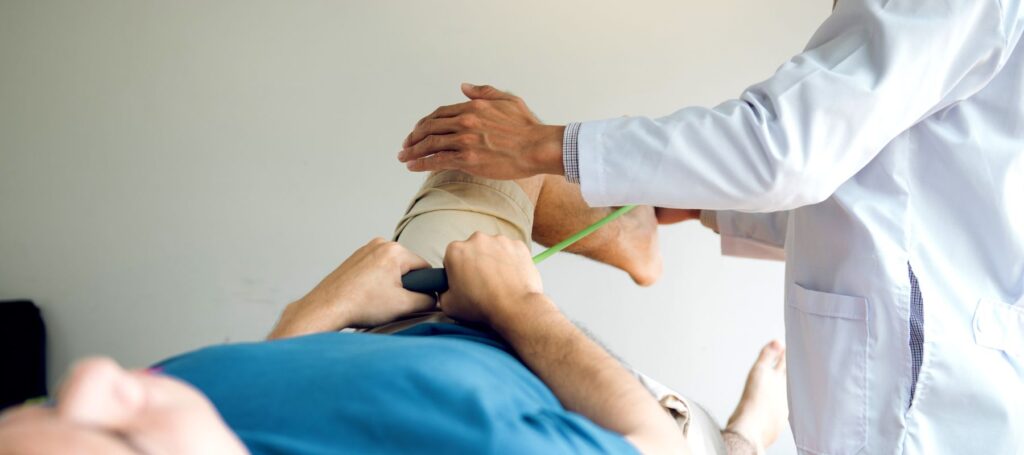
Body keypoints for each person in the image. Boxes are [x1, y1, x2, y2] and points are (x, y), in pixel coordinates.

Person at [395, 1, 1024, 454]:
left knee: (481, 171)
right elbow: (885, 190)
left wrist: (542, 144)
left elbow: (787, 150)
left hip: (923, 396)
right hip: (912, 372)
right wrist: (703, 206)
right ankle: (740, 424)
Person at [0, 171, 789, 455]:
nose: (92, 374)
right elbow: (646, 442)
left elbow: (253, 411)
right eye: (120, 439)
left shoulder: (162, 408)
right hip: (543, 356)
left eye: (43, 403)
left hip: (400, 313)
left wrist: (315, 310)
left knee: (482, 163)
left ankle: (636, 239)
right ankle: (749, 436)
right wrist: (517, 304)